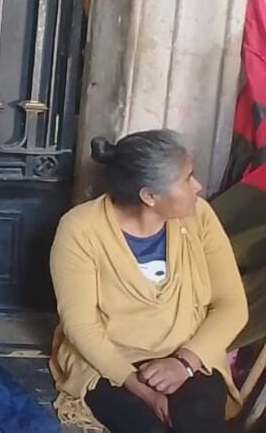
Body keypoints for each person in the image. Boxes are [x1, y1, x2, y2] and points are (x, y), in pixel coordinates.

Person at [49, 130, 249, 432]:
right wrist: (139, 387)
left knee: (200, 419)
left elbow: (232, 305)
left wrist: (185, 363)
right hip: (110, 361)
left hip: (188, 354)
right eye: (186, 179)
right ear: (149, 196)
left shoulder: (200, 217)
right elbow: (81, 325)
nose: (198, 186)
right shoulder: (80, 229)